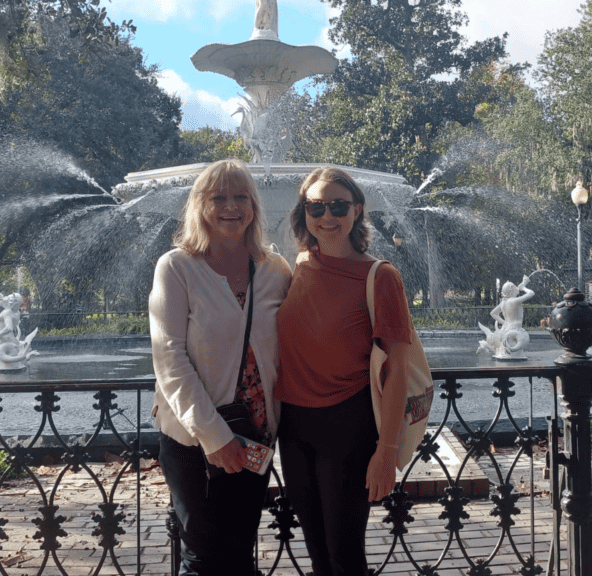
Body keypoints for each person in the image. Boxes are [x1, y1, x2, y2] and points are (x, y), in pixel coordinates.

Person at [149, 158, 291, 576]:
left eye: (241, 197)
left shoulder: (275, 270)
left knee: (240, 553)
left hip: (255, 436)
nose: (231, 206)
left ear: (254, 206)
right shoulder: (177, 267)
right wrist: (214, 437)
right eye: (219, 197)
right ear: (200, 205)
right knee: (202, 558)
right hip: (195, 440)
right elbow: (169, 356)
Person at [275, 167, 414, 576]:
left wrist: (386, 451)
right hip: (294, 424)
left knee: (345, 555)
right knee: (318, 553)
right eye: (316, 207)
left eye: (338, 206)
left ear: (357, 210)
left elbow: (398, 370)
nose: (327, 216)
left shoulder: (381, 276)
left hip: (348, 425)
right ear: (304, 212)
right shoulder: (301, 264)